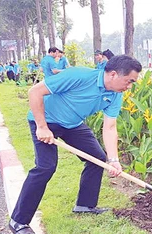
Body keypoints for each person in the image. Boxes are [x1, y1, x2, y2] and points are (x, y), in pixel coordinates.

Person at [8, 55, 142, 234]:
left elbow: (110, 127)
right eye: (129, 81)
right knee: (45, 167)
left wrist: (114, 159)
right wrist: (42, 127)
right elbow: (35, 92)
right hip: (46, 121)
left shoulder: (115, 95)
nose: (129, 87)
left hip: (72, 124)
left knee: (97, 158)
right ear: (113, 74)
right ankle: (18, 221)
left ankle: (85, 205)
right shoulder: (78, 76)